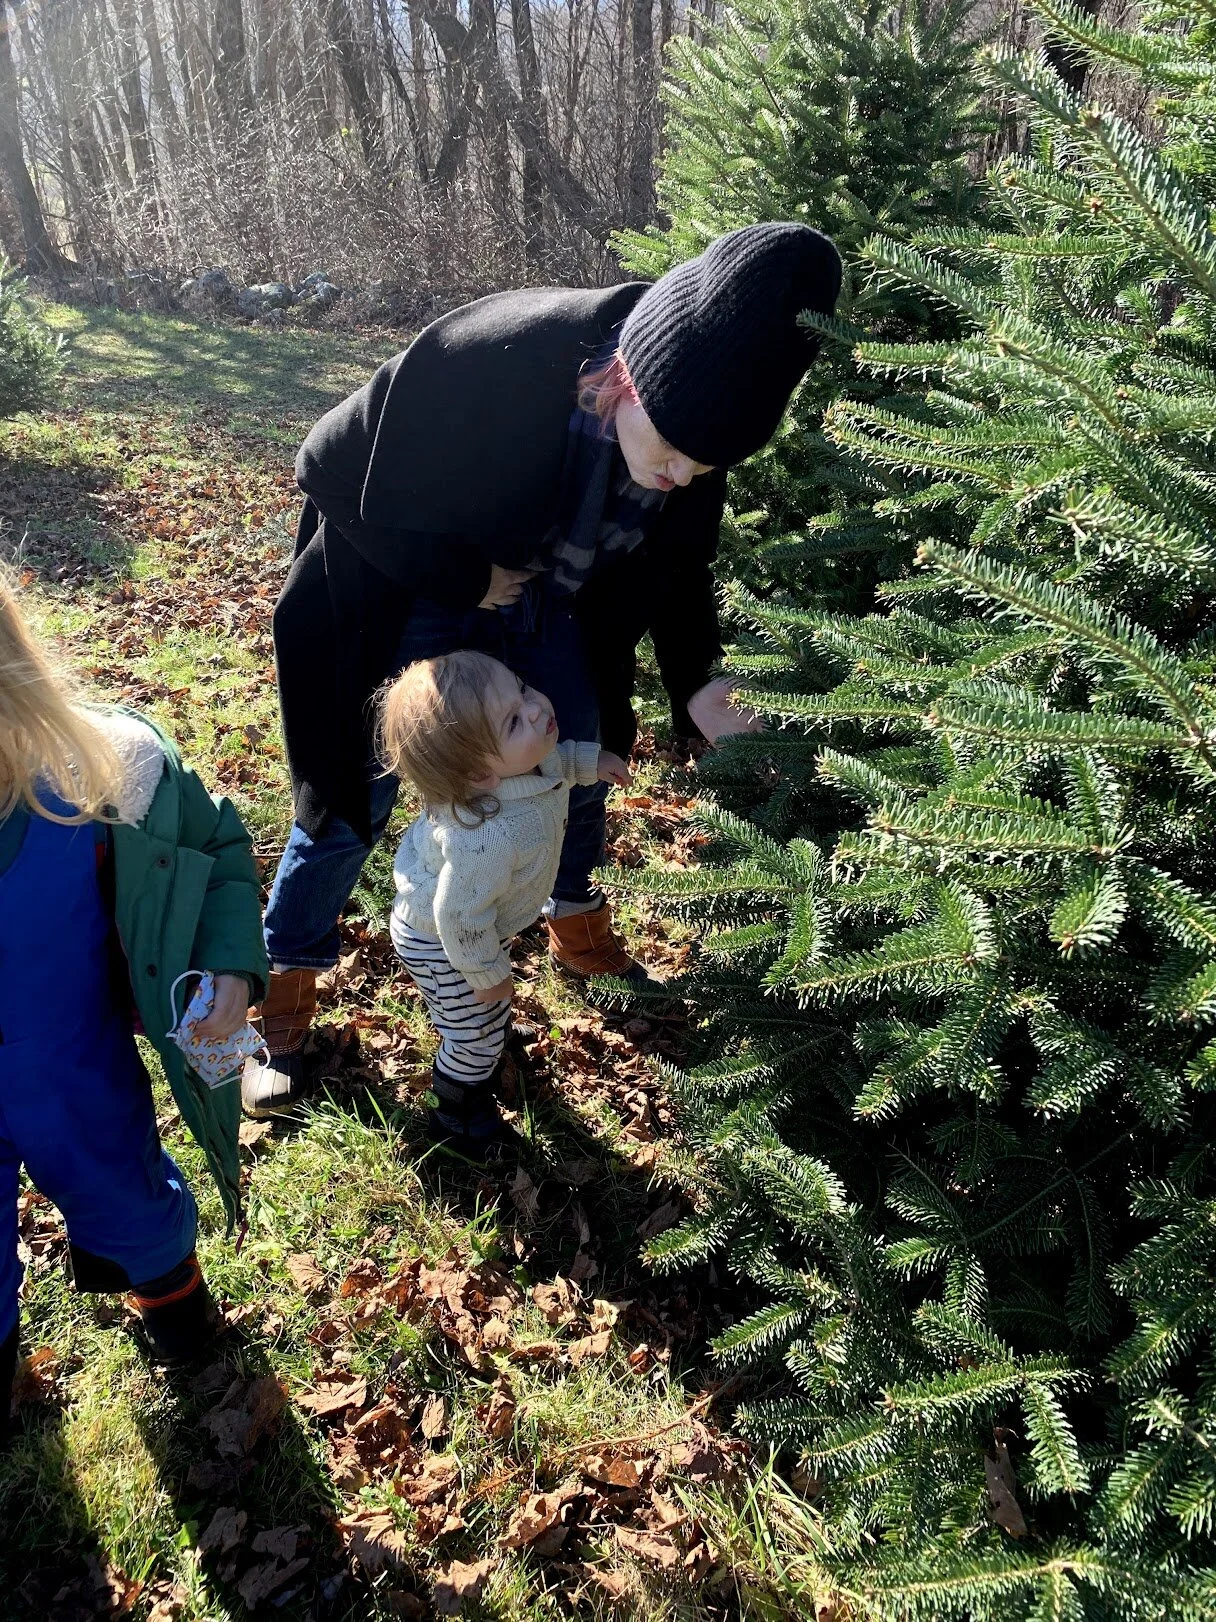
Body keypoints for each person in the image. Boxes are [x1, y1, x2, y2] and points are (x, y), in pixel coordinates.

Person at [246, 221, 842, 1115]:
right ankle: (284, 998)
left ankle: (575, 921)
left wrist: (697, 683)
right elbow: (325, 467)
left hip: (551, 603)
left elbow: (679, 564)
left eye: (707, 465)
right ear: (627, 379)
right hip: (410, 589)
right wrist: (465, 578)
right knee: (353, 793)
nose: (683, 476)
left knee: (583, 753)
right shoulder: (496, 353)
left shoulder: (695, 425)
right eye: (675, 452)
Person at [0, 570, 268, 1411]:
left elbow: (212, 859)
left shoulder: (101, 780)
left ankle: (180, 1319)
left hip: (74, 1064)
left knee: (125, 1191)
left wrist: (229, 964)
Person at [379, 649, 630, 1157]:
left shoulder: (522, 760)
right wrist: (484, 973)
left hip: (478, 922)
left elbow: (556, 762)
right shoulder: (486, 837)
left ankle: (491, 1033)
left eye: (522, 687)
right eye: (514, 720)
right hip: (440, 940)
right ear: (479, 777)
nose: (535, 708)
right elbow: (458, 917)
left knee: (486, 1011)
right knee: (472, 1030)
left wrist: (592, 762)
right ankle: (457, 1109)